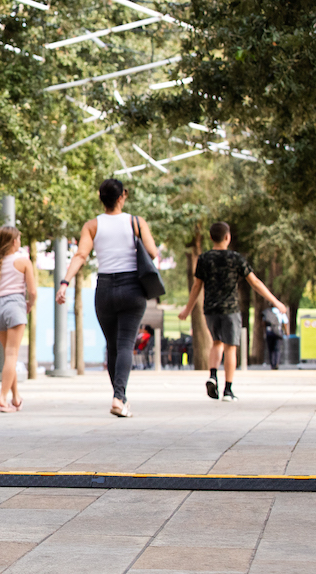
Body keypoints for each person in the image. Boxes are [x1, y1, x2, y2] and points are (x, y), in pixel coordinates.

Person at [56, 178, 158, 418]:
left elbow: (81, 254)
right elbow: (152, 252)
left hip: (105, 290)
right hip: (132, 287)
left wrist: (65, 282)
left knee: (112, 345)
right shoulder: (136, 222)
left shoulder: (92, 225)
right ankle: (119, 397)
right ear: (123, 195)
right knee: (125, 344)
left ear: (100, 198)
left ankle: (119, 397)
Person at [178, 221, 289, 400]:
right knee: (230, 348)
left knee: (216, 343)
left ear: (210, 237)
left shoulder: (204, 259)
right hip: (230, 309)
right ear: (227, 237)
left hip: (211, 309)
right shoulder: (236, 258)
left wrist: (187, 309)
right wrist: (276, 302)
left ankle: (213, 376)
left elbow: (197, 286)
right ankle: (228, 390)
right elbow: (255, 283)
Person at [0, 226, 36, 412]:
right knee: (12, 354)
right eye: (19, 239)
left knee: (8, 355)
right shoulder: (23, 261)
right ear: (14, 242)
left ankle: (15, 396)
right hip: (16, 305)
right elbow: (33, 291)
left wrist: (0, 293)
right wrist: (30, 304)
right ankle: (3, 398)